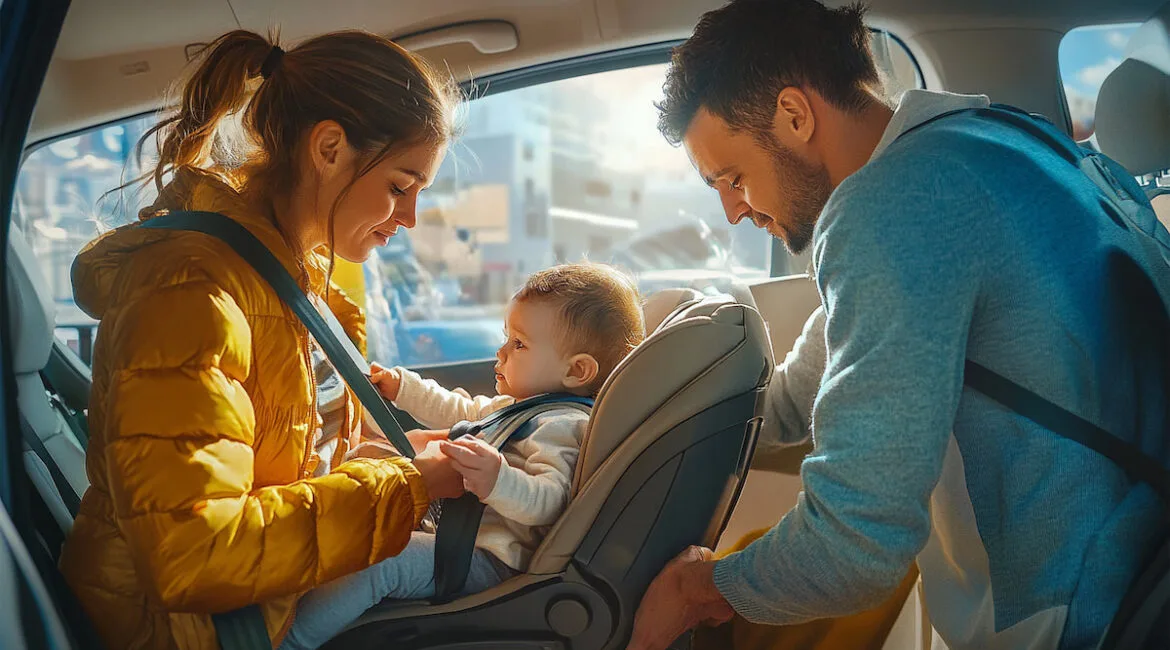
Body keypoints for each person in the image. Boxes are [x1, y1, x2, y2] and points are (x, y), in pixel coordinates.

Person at [628, 1, 1170, 649]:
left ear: (795, 116)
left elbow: (855, 546)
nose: (733, 214)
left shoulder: (887, 210)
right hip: (1133, 565)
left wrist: (701, 588)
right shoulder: (997, 137)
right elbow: (795, 402)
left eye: (733, 178)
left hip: (1072, 612)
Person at [59, 29, 468, 649]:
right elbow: (193, 553)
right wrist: (407, 490)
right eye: (399, 186)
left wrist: (401, 457)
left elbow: (288, 470)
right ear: (329, 148)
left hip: (270, 601)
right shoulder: (192, 292)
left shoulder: (304, 292)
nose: (409, 218)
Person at [279, 263, 645, 649]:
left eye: (519, 344)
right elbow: (460, 409)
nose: (501, 352)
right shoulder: (516, 406)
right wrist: (404, 387)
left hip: (488, 561)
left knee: (382, 562)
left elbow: (550, 502)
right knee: (369, 459)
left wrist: (499, 480)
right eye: (507, 337)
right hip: (457, 535)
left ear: (577, 370)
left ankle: (291, 641)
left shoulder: (564, 425)